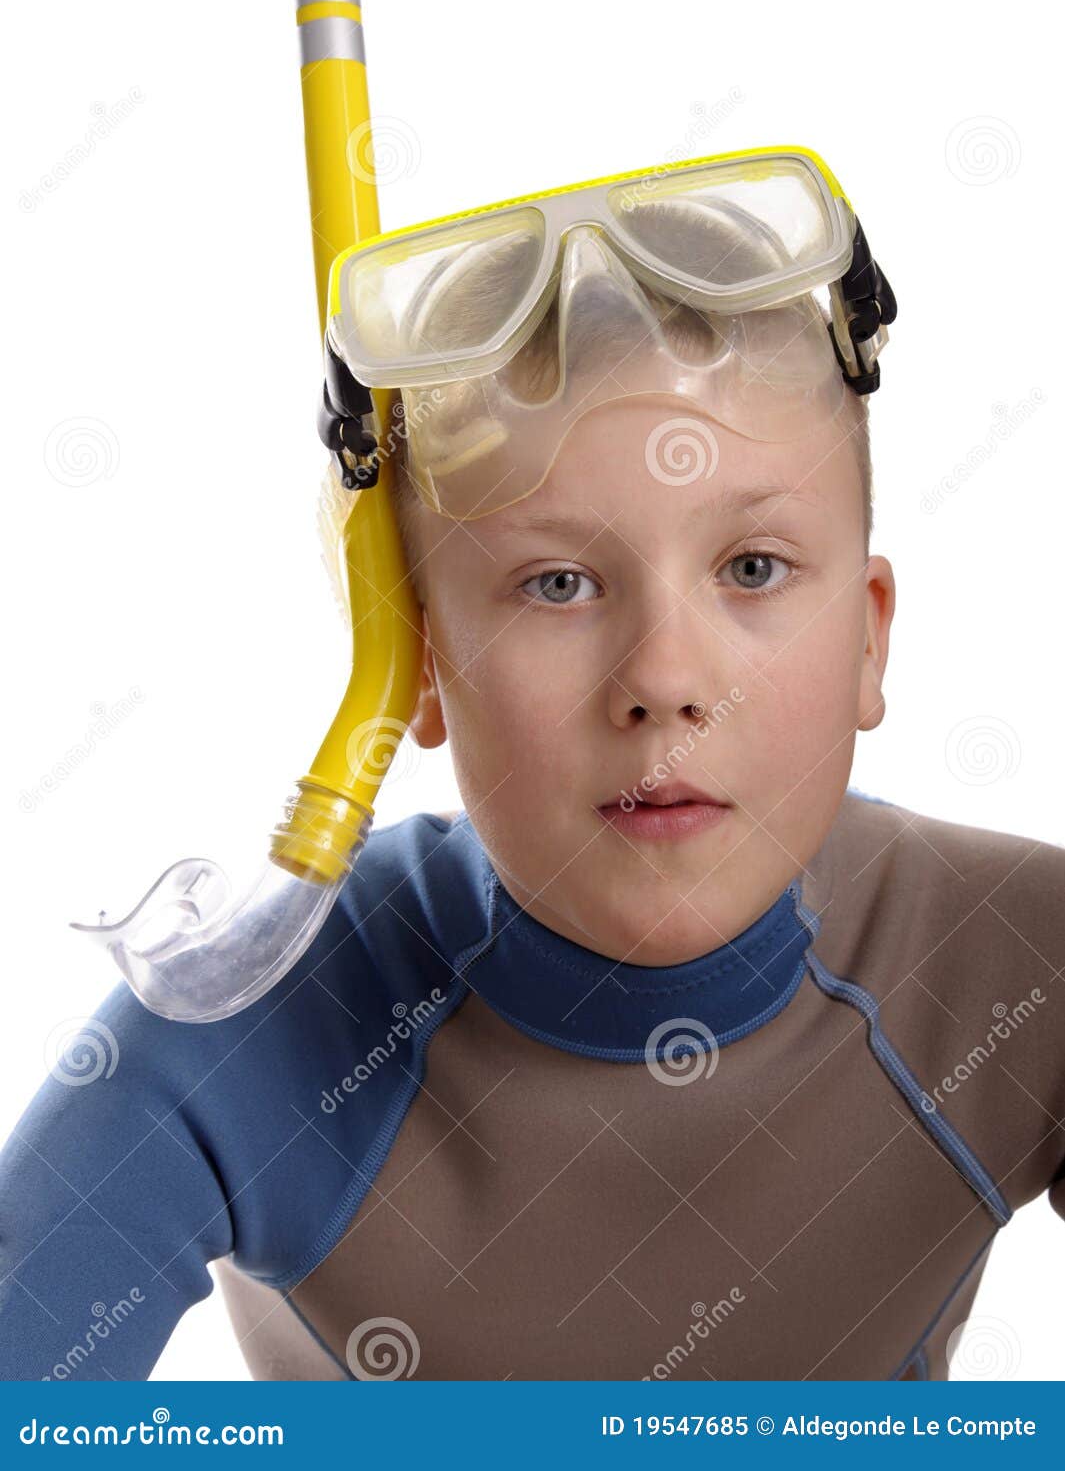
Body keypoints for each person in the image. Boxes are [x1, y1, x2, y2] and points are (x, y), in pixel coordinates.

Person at [1, 151, 1062, 1383]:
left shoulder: (1021, 970)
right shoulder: (264, 1028)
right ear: (418, 663)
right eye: (557, 584)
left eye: (753, 568)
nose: (663, 676)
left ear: (870, 635)